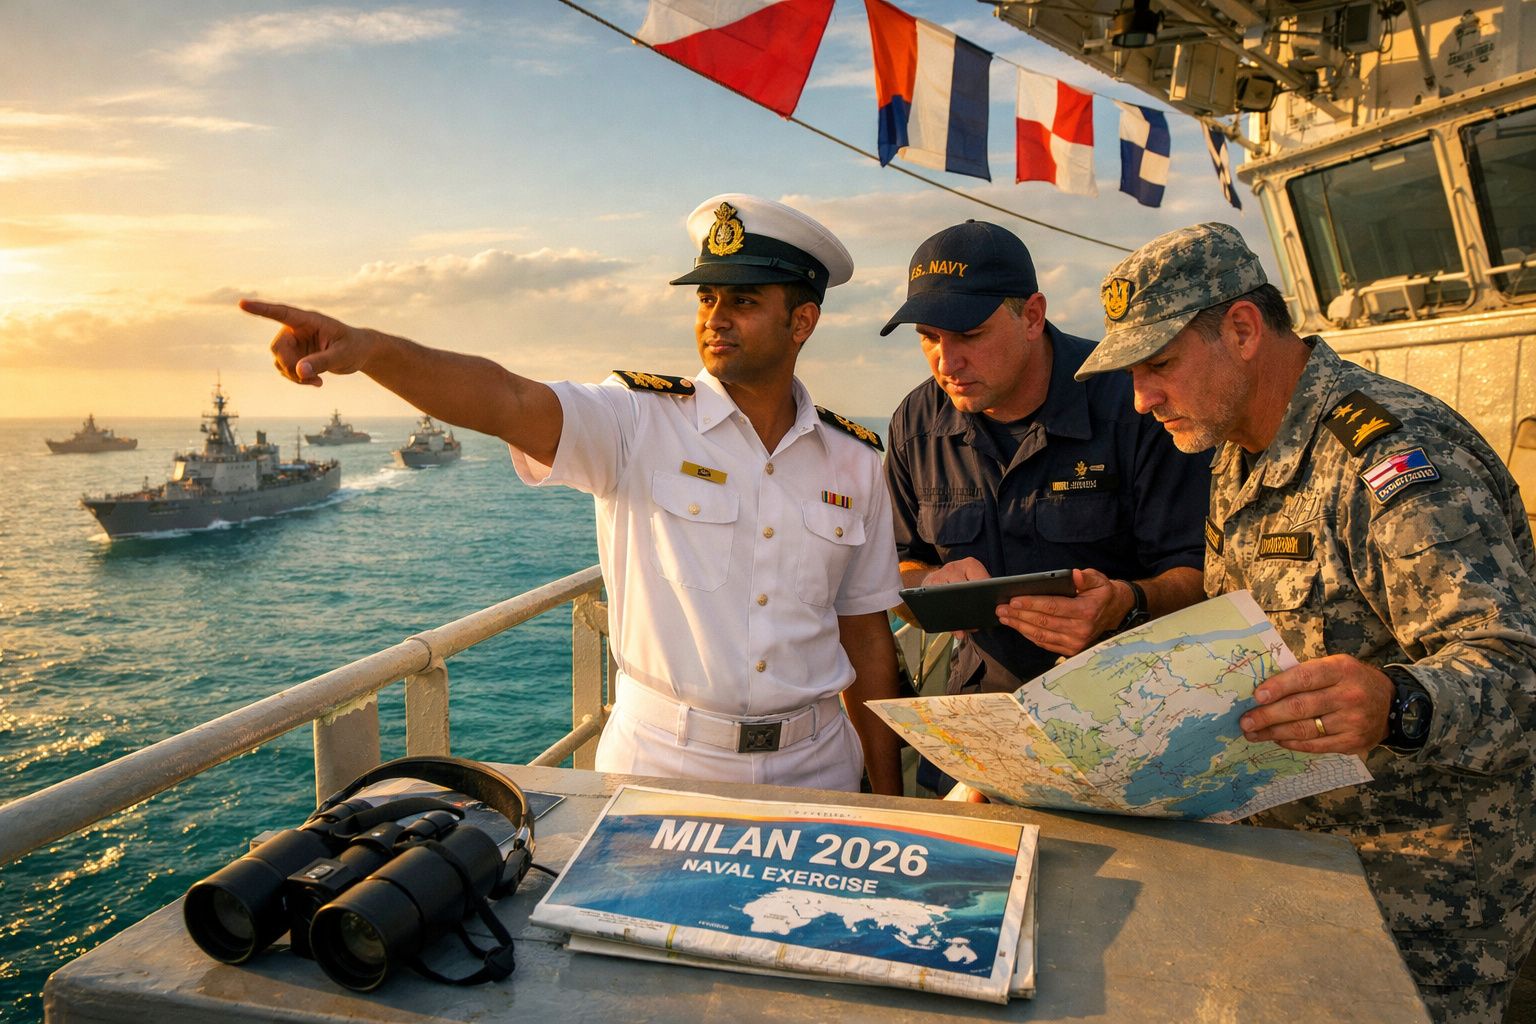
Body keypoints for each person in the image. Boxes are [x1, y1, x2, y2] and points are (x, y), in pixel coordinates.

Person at [243, 194, 905, 795]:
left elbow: (866, 633)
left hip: (817, 769)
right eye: (706, 299)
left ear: (803, 321)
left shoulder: (854, 461)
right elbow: (507, 397)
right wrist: (370, 350)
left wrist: (892, 795)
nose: (716, 318)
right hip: (661, 767)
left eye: (744, 302)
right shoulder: (637, 420)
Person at [1075, 221, 1536, 1023]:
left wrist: (1397, 703)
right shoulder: (1237, 445)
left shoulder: (1390, 459)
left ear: (1244, 331)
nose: (1141, 399)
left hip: (1423, 897)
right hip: (1296, 860)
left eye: (1158, 366)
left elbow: (1517, 672)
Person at [880, 220, 1210, 708]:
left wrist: (1124, 601)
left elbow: (1205, 574)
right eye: (928, 337)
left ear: (1032, 316)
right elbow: (893, 570)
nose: (946, 363)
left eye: (969, 335)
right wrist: (925, 584)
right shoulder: (915, 423)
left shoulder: (1135, 403)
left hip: (1132, 708)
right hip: (983, 712)